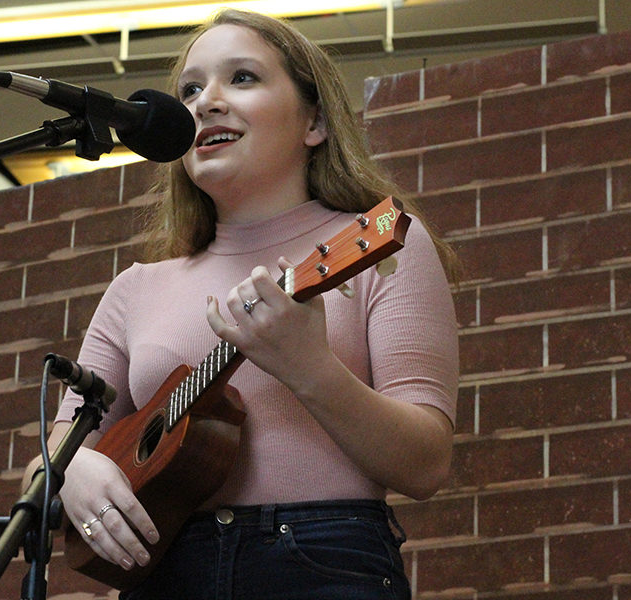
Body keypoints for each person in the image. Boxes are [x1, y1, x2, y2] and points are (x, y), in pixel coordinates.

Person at [24, 9, 459, 599]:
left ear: (316, 121)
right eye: (190, 89)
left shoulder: (378, 243)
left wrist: (310, 369)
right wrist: (70, 472)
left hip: (322, 561)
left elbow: (426, 465)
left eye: (243, 78)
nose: (205, 103)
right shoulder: (135, 289)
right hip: (164, 571)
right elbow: (45, 464)